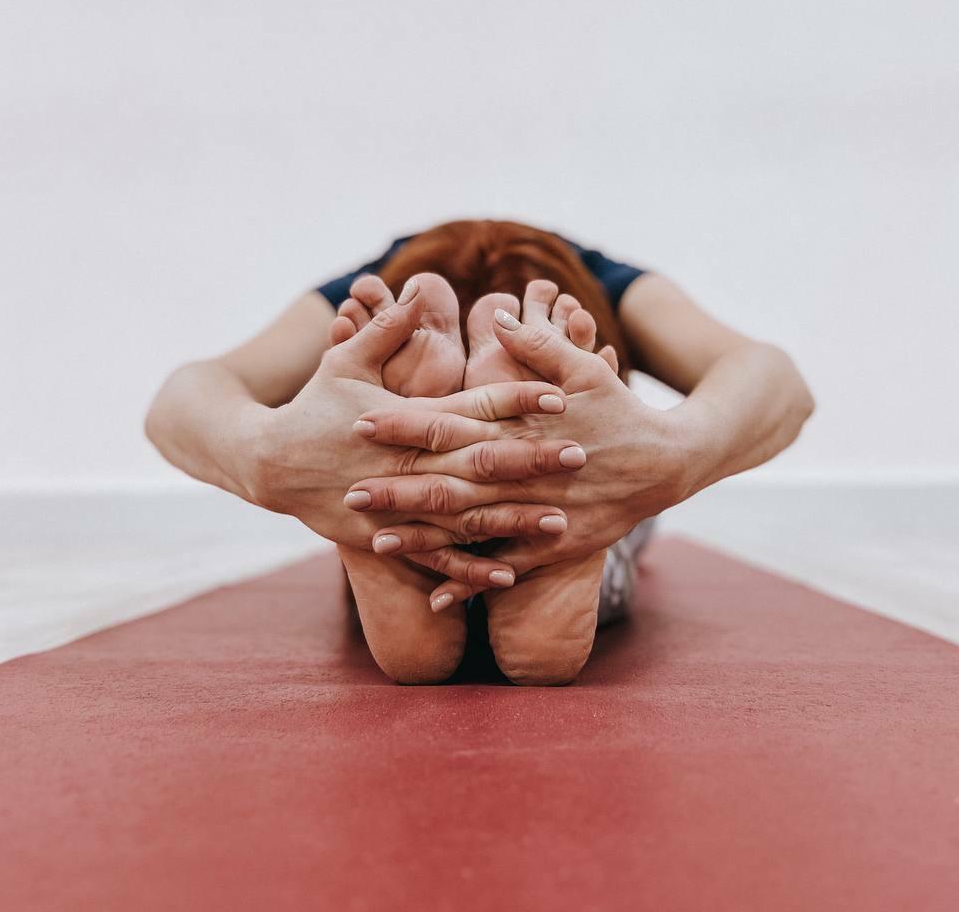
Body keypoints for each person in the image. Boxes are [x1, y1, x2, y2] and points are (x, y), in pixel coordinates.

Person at [145, 219, 814, 685]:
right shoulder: (597, 286)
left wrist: (668, 456)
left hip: (426, 507)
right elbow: (176, 403)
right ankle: (559, 546)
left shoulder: (380, 293)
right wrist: (272, 456)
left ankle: (398, 544)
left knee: (381, 508)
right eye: (449, 402)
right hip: (561, 498)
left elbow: (780, 385)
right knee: (611, 528)